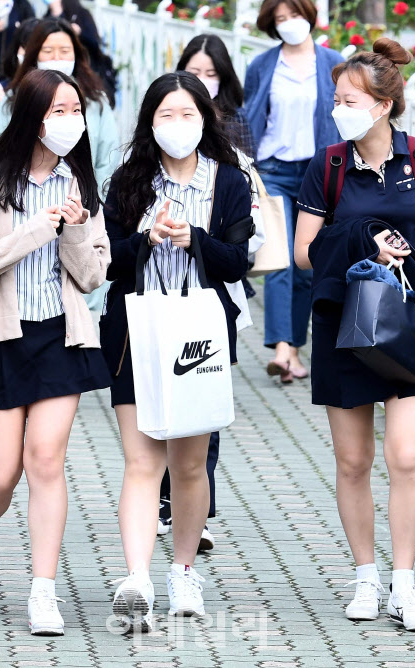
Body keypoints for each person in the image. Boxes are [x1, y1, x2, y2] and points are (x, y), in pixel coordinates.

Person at [294, 38, 415, 631]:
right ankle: (365, 579)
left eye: (350, 99)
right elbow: (304, 254)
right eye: (336, 99)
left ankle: (405, 586)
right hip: (343, 325)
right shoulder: (327, 165)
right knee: (353, 461)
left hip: (409, 321)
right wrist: (362, 243)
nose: (339, 108)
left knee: (406, 456)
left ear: (382, 106)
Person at [0, 69, 113, 636]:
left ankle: (43, 591)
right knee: (0, 474)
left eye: (77, 110)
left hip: (57, 336)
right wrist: (37, 230)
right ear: (31, 118)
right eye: (59, 111)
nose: (71, 121)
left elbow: (94, 274)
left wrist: (72, 227)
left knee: (46, 460)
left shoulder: (80, 184)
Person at [100, 72, 252, 629]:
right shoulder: (128, 181)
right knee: (142, 462)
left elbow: (240, 264)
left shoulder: (229, 182)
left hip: (199, 333)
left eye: (188, 114)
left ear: (205, 119)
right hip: (135, 331)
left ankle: (183, 573)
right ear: (150, 122)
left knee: (189, 465)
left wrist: (196, 239)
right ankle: (137, 576)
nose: (177, 125)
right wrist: (146, 238)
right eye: (166, 115)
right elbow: (106, 261)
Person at [156, 35, 265, 550]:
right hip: (152, 309)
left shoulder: (232, 160)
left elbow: (237, 254)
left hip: (212, 306)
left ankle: (194, 511)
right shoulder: (139, 169)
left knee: (203, 412)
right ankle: (165, 500)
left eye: (209, 73)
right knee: (157, 418)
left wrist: (195, 239)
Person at [244, 0, 343, 383]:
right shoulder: (263, 65)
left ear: (309, 16)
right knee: (280, 260)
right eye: (281, 19)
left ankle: (296, 349)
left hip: (317, 174)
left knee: (307, 263)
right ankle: (283, 350)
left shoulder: (333, 62)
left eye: (295, 15)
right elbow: (250, 116)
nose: (289, 24)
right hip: (274, 171)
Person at [0, 18, 119, 197]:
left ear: (76, 54)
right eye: (48, 51)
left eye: (64, 51)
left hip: (80, 204)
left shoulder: (95, 101)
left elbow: (107, 158)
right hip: (22, 199)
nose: (57, 57)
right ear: (35, 54)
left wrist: (94, 201)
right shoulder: (14, 98)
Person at [42, 0, 117, 107]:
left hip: (83, 73)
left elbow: (94, 43)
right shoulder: (46, 18)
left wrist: (79, 32)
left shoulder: (82, 15)